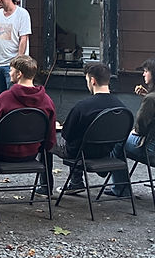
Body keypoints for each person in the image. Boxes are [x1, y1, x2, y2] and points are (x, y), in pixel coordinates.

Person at [0, 54, 56, 199]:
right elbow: (50, 136)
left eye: (11, 70)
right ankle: (46, 187)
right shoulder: (47, 101)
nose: (9, 73)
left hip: (3, 154)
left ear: (19, 74)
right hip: (32, 153)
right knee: (48, 149)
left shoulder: (4, 99)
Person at [106, 57, 155, 197]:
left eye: (146, 71)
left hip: (154, 148)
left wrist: (134, 131)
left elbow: (140, 127)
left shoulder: (151, 99)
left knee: (117, 140)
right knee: (121, 142)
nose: (143, 74)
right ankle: (120, 187)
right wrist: (147, 95)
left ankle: (120, 187)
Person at [54, 62, 127, 192]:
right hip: (106, 152)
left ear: (92, 80)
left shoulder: (83, 107)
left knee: (50, 137)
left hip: (80, 153)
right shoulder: (121, 107)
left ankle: (45, 187)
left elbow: (67, 135)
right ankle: (76, 182)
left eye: (87, 80)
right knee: (80, 137)